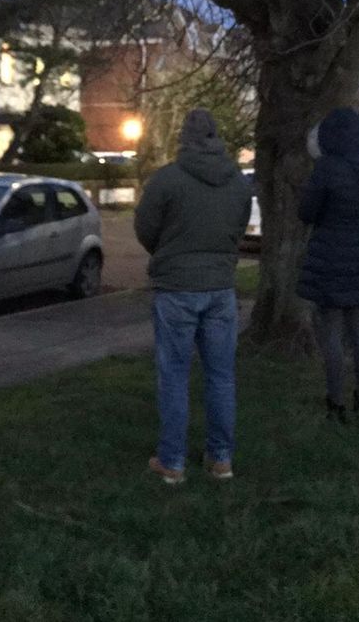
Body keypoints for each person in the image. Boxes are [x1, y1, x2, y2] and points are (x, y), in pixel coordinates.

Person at [135, 108, 252, 485]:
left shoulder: (167, 180)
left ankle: (173, 461)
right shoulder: (237, 182)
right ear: (217, 137)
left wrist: (168, 252)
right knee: (221, 376)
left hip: (177, 289)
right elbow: (238, 228)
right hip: (220, 287)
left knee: (174, 375)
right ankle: (221, 459)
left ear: (184, 138)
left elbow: (145, 228)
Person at [297, 108, 359, 423]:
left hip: (329, 259)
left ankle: (336, 402)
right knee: (358, 329)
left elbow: (307, 212)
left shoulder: (326, 169)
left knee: (331, 333)